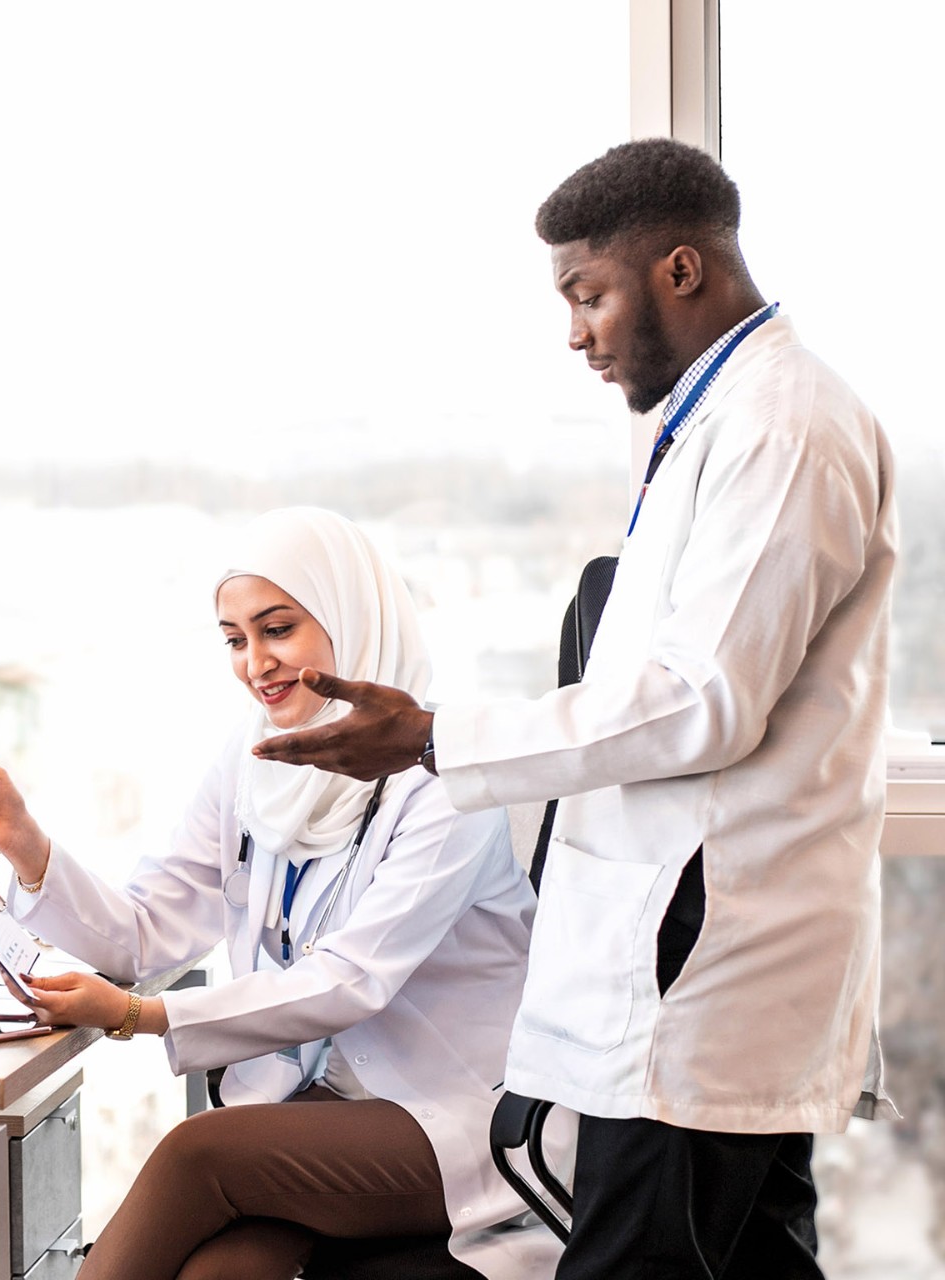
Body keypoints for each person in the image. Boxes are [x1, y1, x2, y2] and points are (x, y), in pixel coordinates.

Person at [251, 138, 899, 1278]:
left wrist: (436, 735)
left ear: (680, 270)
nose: (574, 332)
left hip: (706, 970)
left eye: (587, 293)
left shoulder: (778, 428)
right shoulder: (714, 422)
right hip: (684, 968)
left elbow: (700, 702)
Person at [0, 506, 568, 1280]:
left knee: (200, 1152)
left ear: (347, 618)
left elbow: (350, 980)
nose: (254, 662)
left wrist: (137, 1015)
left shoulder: (443, 781)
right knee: (222, 1272)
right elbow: (143, 931)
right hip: (327, 1100)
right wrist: (26, 846)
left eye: (278, 629)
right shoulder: (254, 757)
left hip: (461, 1115)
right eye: (235, 640)